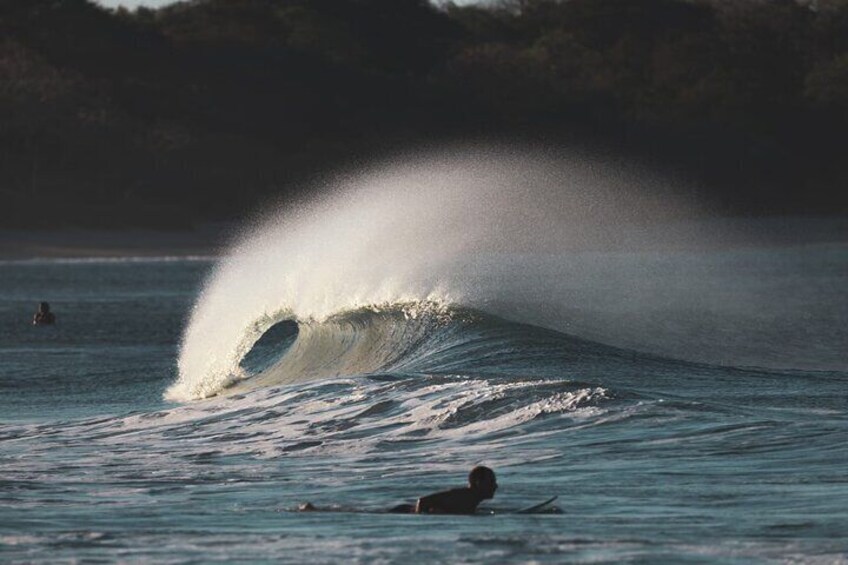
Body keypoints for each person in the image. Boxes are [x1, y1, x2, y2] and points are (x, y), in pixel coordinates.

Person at [412, 465, 498, 514]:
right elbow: (422, 501)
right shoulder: (462, 497)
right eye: (491, 482)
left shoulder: (471, 500)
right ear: (478, 482)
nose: (495, 486)